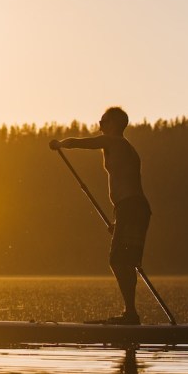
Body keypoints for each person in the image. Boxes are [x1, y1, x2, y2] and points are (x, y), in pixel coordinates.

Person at [55, 107, 151, 324]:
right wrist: (119, 220)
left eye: (103, 121)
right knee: (125, 261)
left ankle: (130, 315)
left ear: (114, 124)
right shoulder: (119, 146)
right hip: (129, 209)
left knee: (119, 260)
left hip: (132, 208)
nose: (99, 124)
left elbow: (83, 142)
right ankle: (131, 314)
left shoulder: (115, 142)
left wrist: (61, 144)